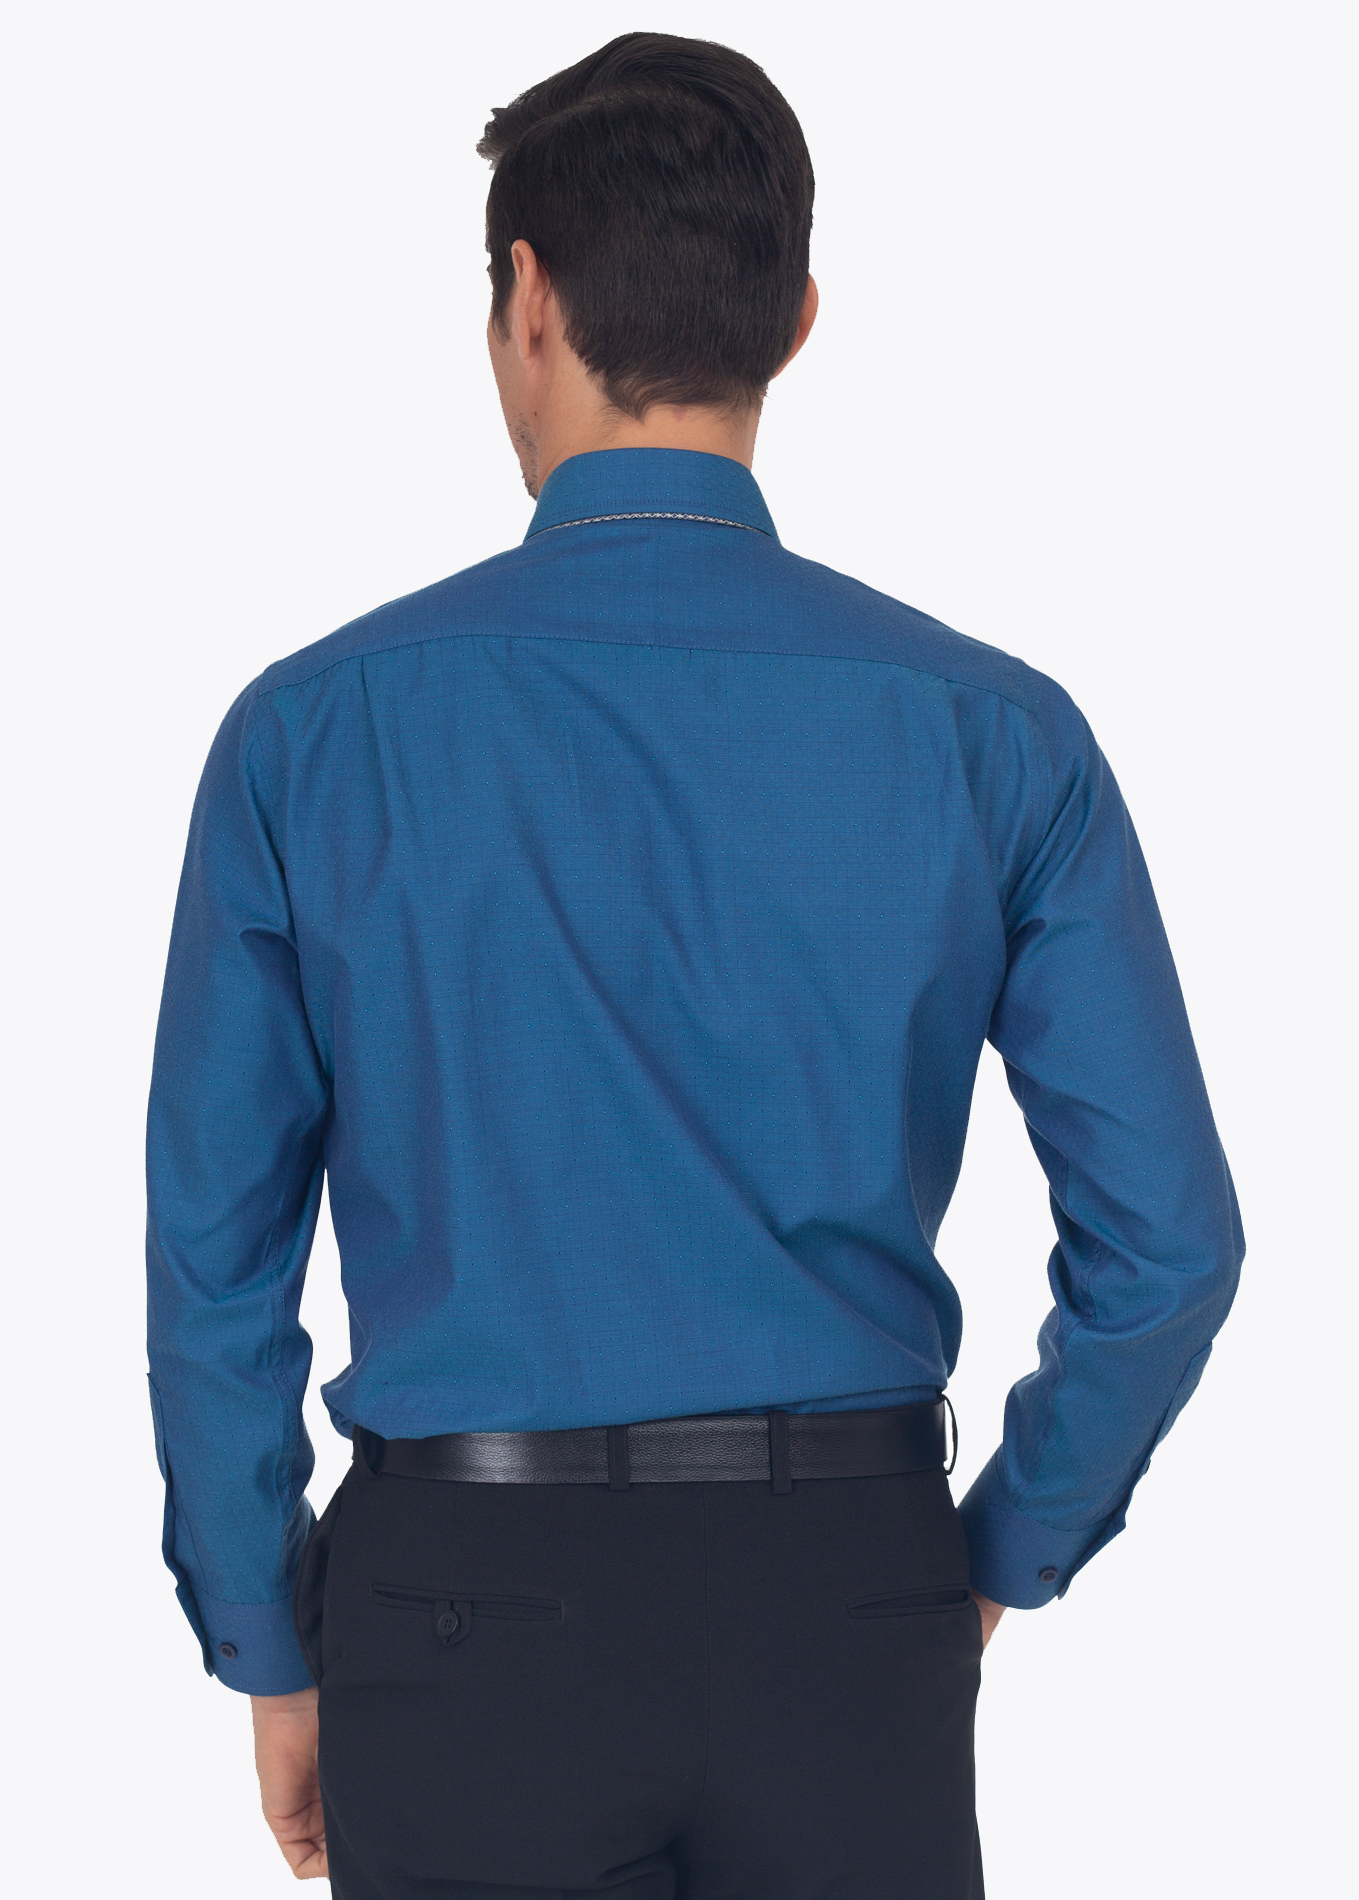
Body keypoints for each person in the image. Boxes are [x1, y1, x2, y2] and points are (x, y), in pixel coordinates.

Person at [144, 31, 1244, 1900]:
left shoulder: (312, 735)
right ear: (796, 322)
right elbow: (1170, 1250)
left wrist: (265, 1635)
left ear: (525, 299)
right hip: (848, 1599)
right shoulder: (995, 735)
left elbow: (214, 1253)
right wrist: (991, 1554)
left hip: (458, 1623)